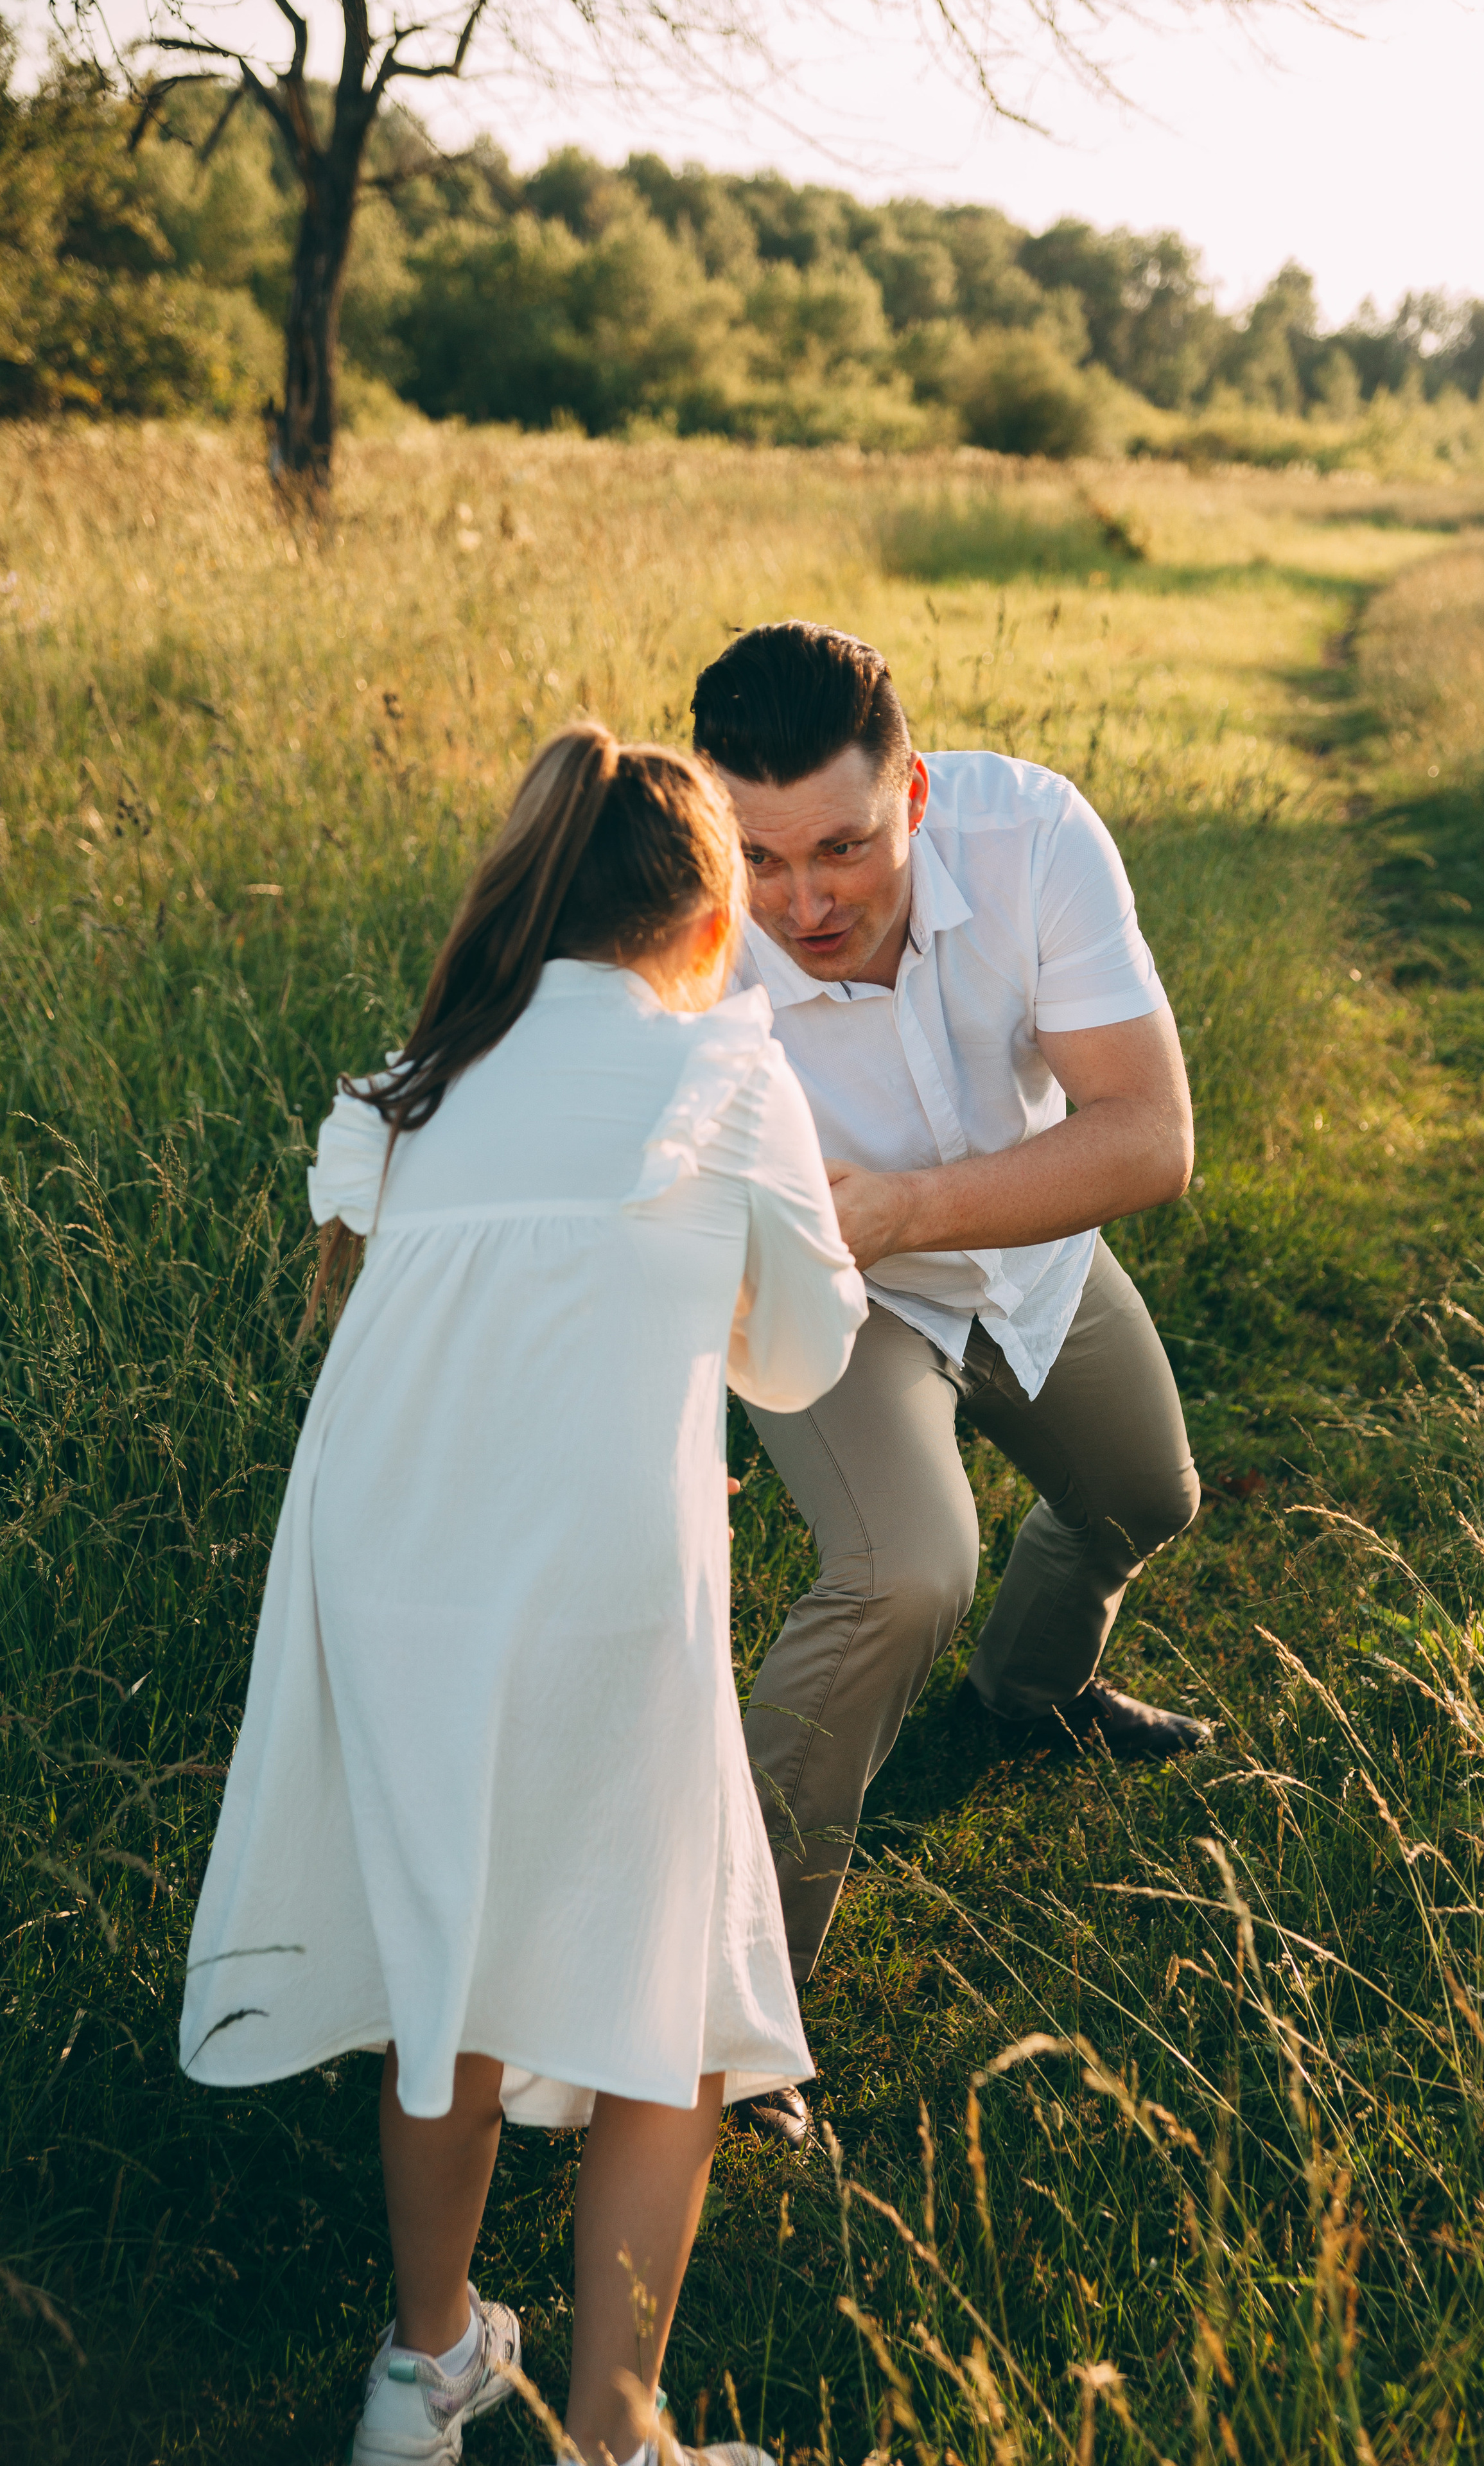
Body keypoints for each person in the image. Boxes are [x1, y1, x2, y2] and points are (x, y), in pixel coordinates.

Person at [178, 724, 867, 2466]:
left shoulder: (418, 1081)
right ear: (707, 908)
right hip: (600, 1571)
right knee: (670, 1987)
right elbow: (803, 1353)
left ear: (536, 891)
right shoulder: (721, 1072)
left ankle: (427, 2371)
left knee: (450, 1958)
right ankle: (620, 2429)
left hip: (385, 1564)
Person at [690, 623, 1206, 2144]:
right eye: (760, 857)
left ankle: (1026, 1697)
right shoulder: (682, 919)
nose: (800, 902)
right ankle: (731, 2013)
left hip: (1020, 1253)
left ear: (910, 794)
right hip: (823, 1300)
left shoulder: (1032, 834)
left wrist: (913, 1207)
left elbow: (1148, 1139)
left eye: (839, 848)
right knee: (906, 1570)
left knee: (1141, 1496)